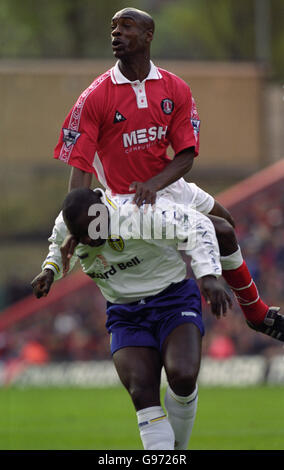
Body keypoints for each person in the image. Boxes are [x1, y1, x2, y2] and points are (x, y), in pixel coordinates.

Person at [53, 7, 283, 341]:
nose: (116, 34)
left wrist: (156, 183)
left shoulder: (175, 88)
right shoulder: (94, 97)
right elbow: (81, 170)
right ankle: (255, 314)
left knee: (228, 226)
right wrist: (77, 223)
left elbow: (186, 154)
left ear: (148, 36)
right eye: (113, 28)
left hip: (168, 184)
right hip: (126, 200)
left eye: (126, 27)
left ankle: (253, 314)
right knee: (215, 231)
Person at [31, 187, 232, 450]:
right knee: (141, 390)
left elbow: (197, 225)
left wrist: (208, 276)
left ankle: (177, 451)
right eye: (82, 236)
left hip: (172, 300)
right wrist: (49, 271)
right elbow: (57, 248)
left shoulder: (138, 214)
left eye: (94, 230)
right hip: (125, 314)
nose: (90, 240)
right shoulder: (67, 223)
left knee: (182, 376)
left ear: (102, 211)